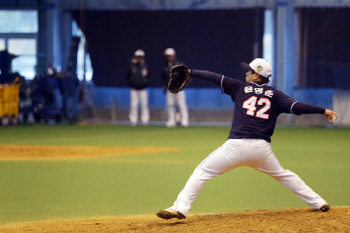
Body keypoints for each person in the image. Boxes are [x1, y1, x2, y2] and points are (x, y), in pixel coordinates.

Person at [156, 58, 336, 220]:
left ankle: (180, 208)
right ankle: (318, 202)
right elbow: (297, 107)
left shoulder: (239, 87)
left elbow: (214, 76)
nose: (246, 73)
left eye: (249, 71)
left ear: (256, 75)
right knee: (284, 175)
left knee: (201, 172)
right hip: (260, 150)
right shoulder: (276, 95)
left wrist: (192, 72)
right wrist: (323, 111)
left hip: (234, 147)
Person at [162, 48, 189, 127]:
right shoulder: (165, 65)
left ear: (173, 55)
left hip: (179, 87)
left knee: (181, 103)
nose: (168, 57)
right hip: (170, 88)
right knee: (170, 104)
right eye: (167, 56)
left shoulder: (179, 64)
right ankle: (171, 120)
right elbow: (163, 76)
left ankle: (184, 119)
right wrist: (164, 85)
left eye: (169, 56)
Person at [127, 49, 150, 126]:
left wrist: (145, 83)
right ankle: (133, 120)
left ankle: (145, 120)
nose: (139, 58)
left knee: (144, 105)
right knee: (134, 105)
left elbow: (149, 76)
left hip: (143, 89)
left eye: (140, 57)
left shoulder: (145, 66)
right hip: (134, 89)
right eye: (138, 57)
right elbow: (128, 76)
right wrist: (132, 83)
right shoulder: (132, 66)